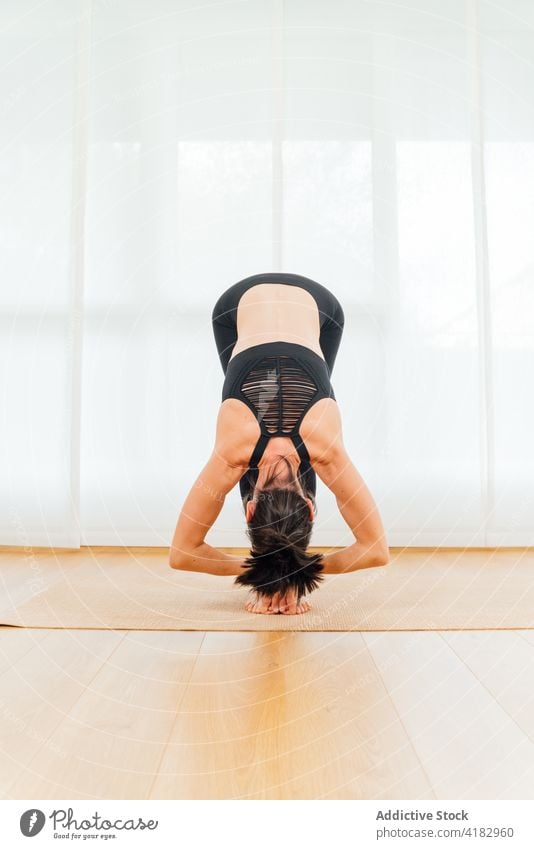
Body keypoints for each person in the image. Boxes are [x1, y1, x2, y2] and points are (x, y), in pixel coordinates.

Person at [169, 272, 390, 615]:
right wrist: (282, 570)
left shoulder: (246, 447)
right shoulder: (303, 448)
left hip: (259, 304)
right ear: (249, 509)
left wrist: (279, 569)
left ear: (312, 506)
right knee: (291, 456)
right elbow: (376, 549)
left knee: (298, 455)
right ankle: (279, 566)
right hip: (302, 307)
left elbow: (182, 552)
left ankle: (278, 564)